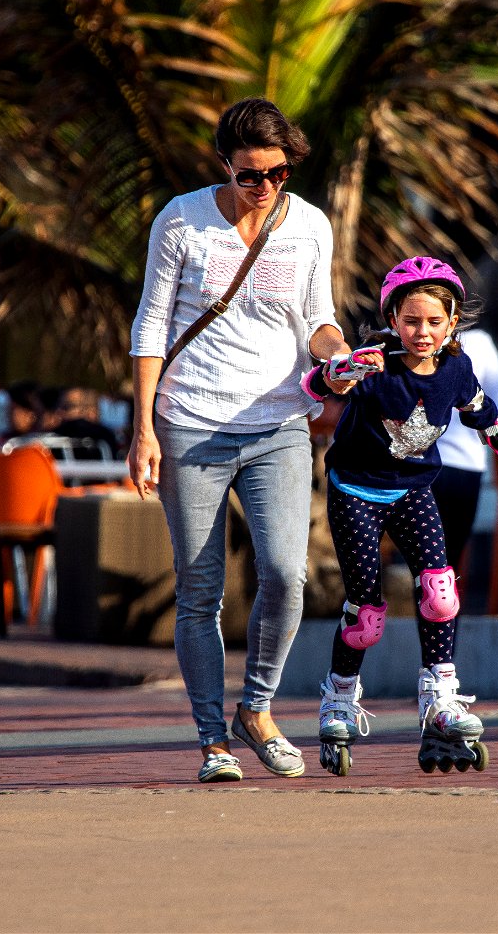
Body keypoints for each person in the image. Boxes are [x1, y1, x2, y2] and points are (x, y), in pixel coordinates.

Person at [129, 97, 353, 783]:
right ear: (224, 164)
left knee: (287, 575)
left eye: (278, 173)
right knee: (200, 589)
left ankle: (254, 710)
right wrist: (143, 428)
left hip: (279, 423)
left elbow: (316, 317)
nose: (265, 187)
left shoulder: (309, 225)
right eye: (251, 174)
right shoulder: (182, 220)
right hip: (190, 421)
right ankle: (211, 742)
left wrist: (337, 354)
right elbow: (150, 326)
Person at [300, 256, 498, 776]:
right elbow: (315, 388)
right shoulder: (375, 364)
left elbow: (476, 404)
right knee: (368, 613)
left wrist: (497, 436)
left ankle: (441, 700)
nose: (422, 332)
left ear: (452, 324)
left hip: (414, 490)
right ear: (393, 319)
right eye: (411, 321)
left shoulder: (456, 366)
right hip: (356, 490)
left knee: (440, 592)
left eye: (434, 322)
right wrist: (343, 369)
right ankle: (338, 698)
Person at [433, 327, 498, 576]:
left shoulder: (394, 337)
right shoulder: (478, 342)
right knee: (446, 562)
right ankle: (442, 615)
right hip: (462, 468)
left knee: (422, 561)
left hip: (409, 467)